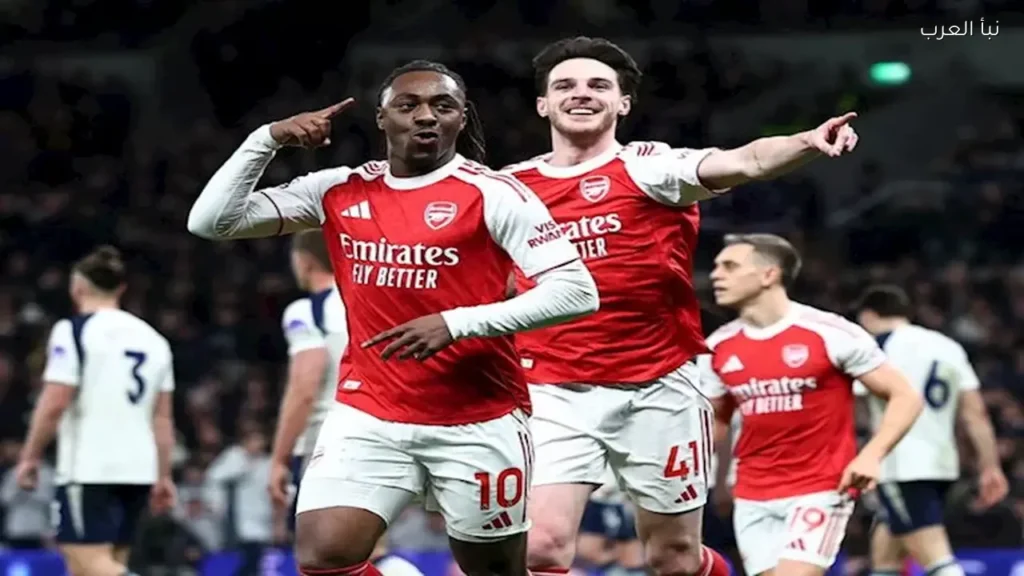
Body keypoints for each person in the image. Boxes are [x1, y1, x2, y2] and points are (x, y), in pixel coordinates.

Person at [187, 60, 599, 576]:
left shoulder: (495, 193)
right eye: (408, 105)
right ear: (382, 118)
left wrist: (457, 323)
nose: (426, 116)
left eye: (442, 106)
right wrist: (266, 139)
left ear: (461, 118)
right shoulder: (338, 190)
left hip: (478, 415)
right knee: (322, 557)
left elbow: (576, 292)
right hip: (369, 412)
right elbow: (212, 221)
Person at [501, 36, 859, 576]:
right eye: (565, 86)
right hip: (553, 389)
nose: (581, 94)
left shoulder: (652, 167)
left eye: (599, 85)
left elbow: (748, 160)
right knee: (541, 547)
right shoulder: (510, 189)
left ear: (623, 103)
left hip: (658, 387)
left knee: (674, 558)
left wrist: (807, 141)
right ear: (542, 105)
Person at [700, 234, 923, 576]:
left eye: (730, 266)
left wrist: (872, 454)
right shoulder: (718, 346)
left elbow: (906, 396)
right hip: (751, 493)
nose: (716, 275)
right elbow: (716, 421)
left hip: (821, 486)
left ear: (769, 274)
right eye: (716, 266)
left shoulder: (831, 332)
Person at [15, 246, 177, 576]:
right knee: (97, 567)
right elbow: (162, 418)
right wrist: (163, 475)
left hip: (89, 467)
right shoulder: (155, 340)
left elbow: (55, 402)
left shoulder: (74, 331)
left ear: (77, 287)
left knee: (85, 558)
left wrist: (30, 456)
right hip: (139, 469)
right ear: (121, 288)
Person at [853, 285, 1009, 576]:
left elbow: (855, 404)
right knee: (886, 548)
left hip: (900, 465)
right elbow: (975, 414)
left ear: (867, 316)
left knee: (935, 555)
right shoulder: (947, 346)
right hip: (941, 464)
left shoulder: (877, 348)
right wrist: (990, 467)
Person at [267, 231, 348, 525]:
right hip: (378, 439)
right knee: (368, 543)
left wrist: (279, 459)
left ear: (303, 261)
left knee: (316, 546)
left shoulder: (308, 311)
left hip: (325, 446)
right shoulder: (370, 306)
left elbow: (304, 389)